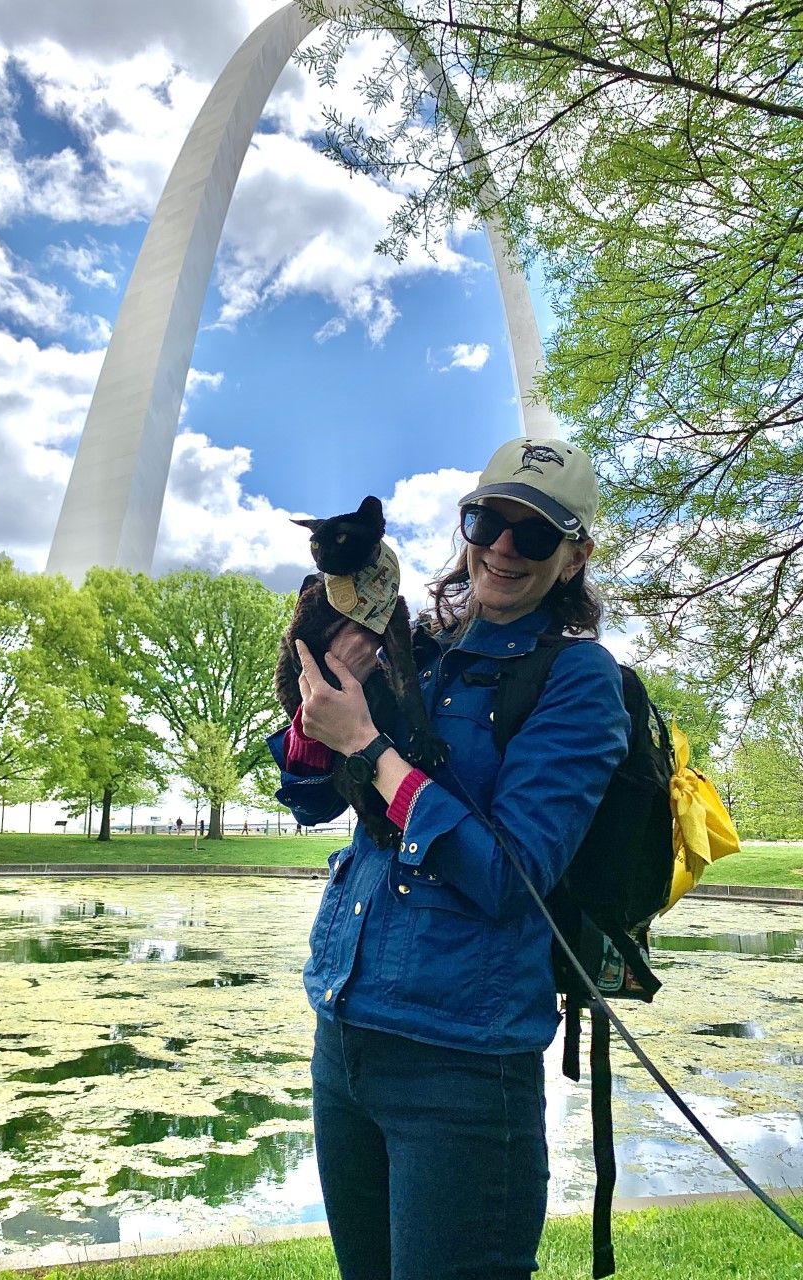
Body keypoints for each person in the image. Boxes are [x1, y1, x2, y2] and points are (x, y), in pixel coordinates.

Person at [267, 438, 630, 1280]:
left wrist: (369, 742)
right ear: (466, 525)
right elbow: (307, 798)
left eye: (534, 536)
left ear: (575, 556)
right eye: (488, 521)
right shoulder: (414, 647)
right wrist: (319, 710)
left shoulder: (579, 681)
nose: (503, 548)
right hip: (344, 1032)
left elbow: (511, 877)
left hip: (463, 1063)